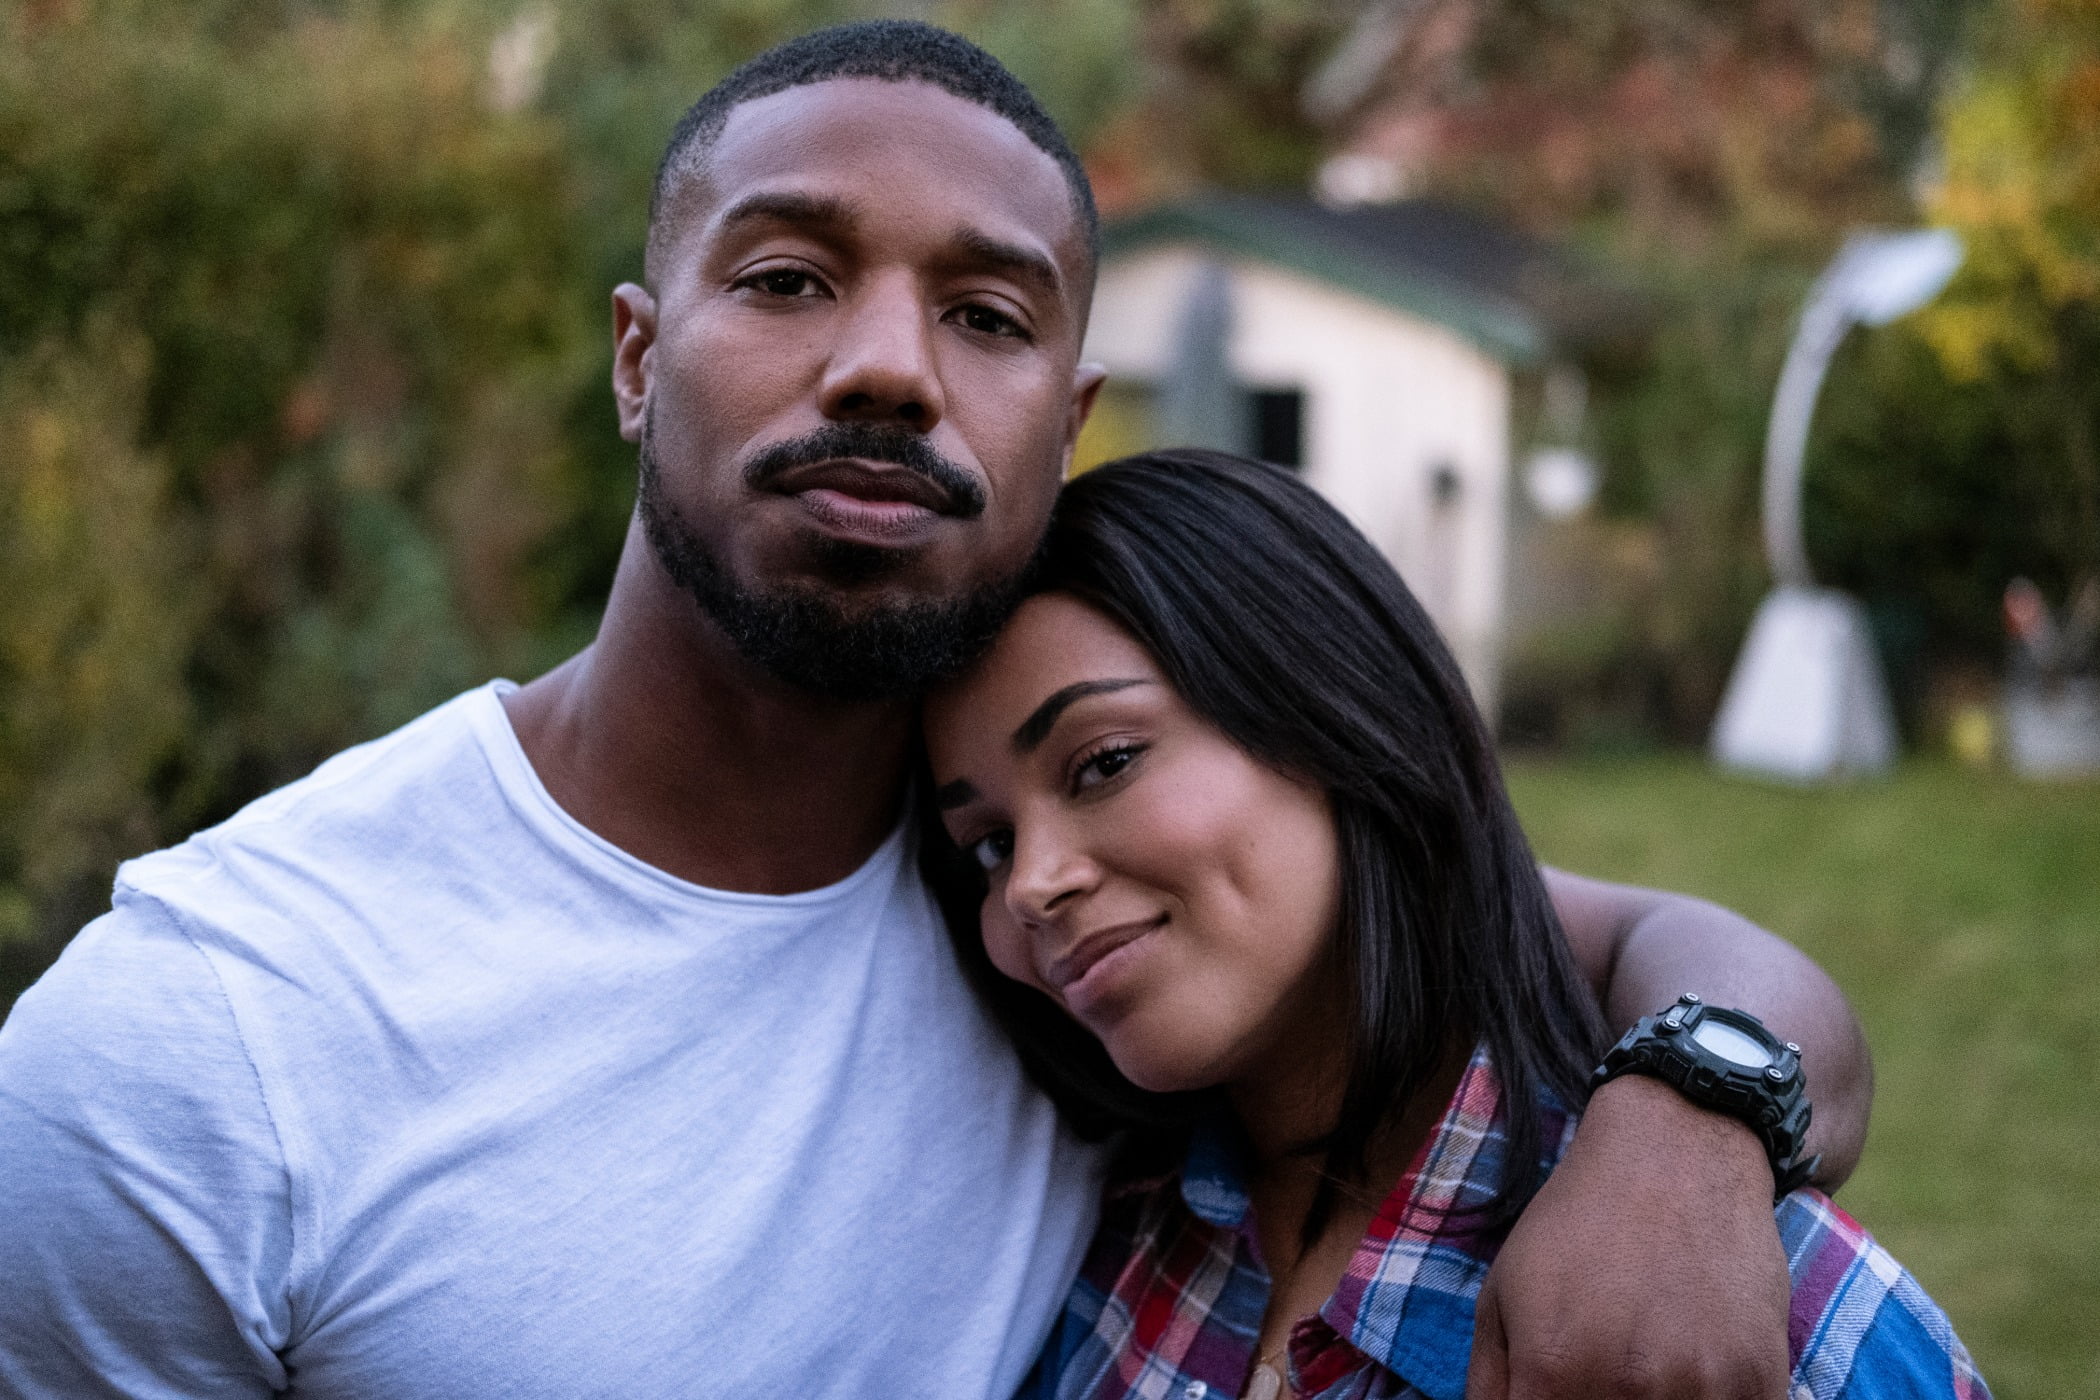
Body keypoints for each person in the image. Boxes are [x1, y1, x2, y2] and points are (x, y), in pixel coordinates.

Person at [0, 22, 1866, 1400]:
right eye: (792, 278)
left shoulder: (1064, 880)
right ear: (641, 360)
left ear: (1068, 419)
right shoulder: (205, 1050)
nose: (889, 365)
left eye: (988, 314)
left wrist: (1687, 1129)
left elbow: (1628, 947)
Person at [924, 449, 1990, 1400]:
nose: (1030, 885)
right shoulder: (1106, 1235)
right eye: (988, 843)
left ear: (1333, 710)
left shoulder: (1720, 1305)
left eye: (1105, 760)